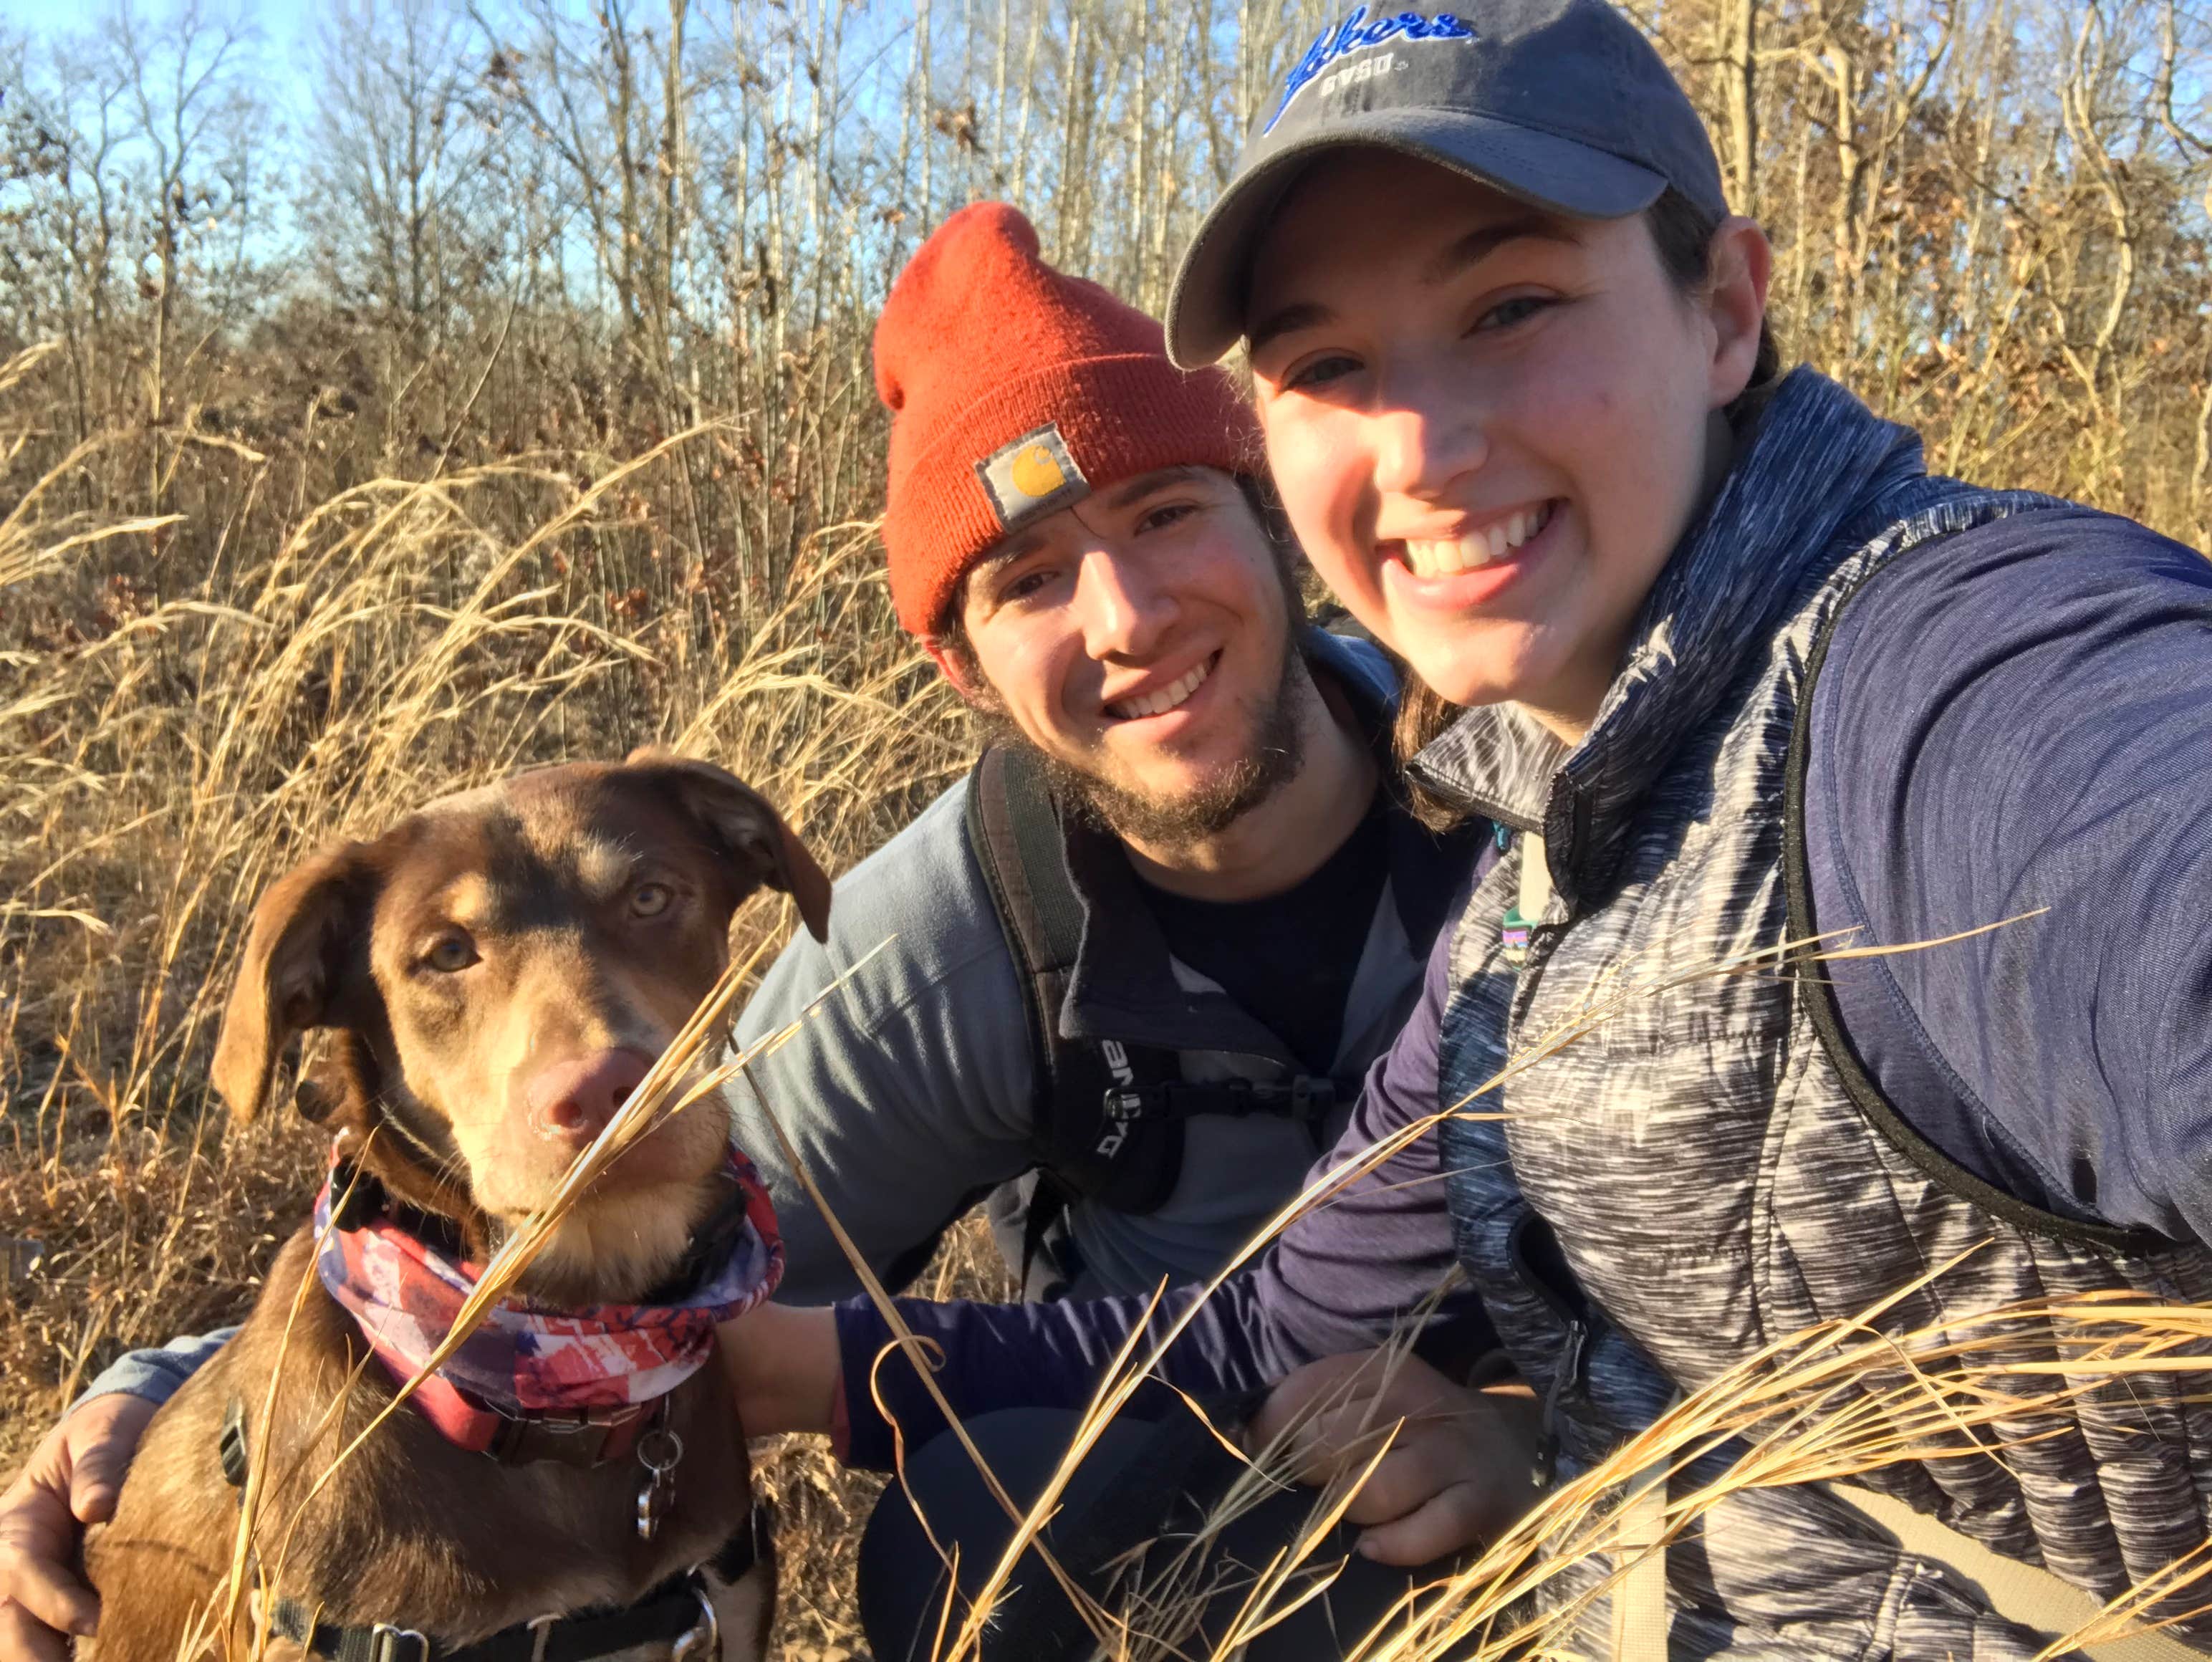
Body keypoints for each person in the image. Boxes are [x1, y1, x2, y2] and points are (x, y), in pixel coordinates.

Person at [706, 0, 2212, 1656]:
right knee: (982, 1524)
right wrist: (789, 1364)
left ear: (1721, 311)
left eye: (1510, 305)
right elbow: (1270, 1323)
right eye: (1326, 364)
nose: (1418, 445)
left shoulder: (1944, 685)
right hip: (1573, 1571)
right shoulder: (1544, 841)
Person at [0, 205, 1491, 1662]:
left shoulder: (1533, 796)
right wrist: (158, 1403)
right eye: (1028, 577)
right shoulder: (962, 930)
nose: (1124, 613)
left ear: (1273, 521)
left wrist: (1543, 1434)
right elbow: (608, 1206)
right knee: (986, 1524)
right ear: (961, 667)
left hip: (1606, 1434)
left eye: (1166, 511)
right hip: (1231, 1455)